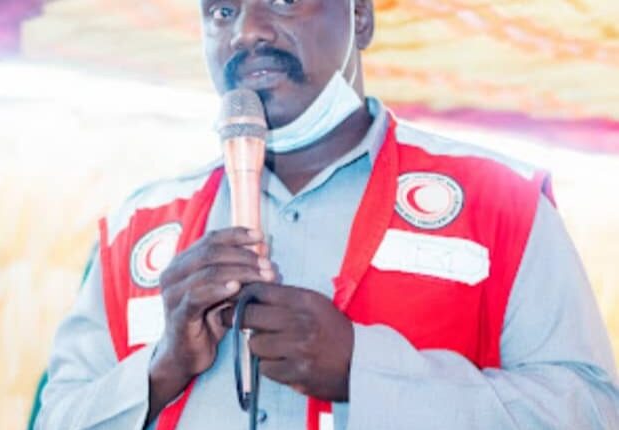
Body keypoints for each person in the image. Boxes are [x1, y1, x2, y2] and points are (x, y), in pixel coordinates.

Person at [35, 1, 619, 429]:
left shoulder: (500, 199)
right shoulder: (139, 226)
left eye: (284, 0)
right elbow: (55, 417)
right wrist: (163, 368)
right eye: (222, 12)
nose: (248, 31)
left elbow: (590, 412)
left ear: (360, 17)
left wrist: (363, 370)